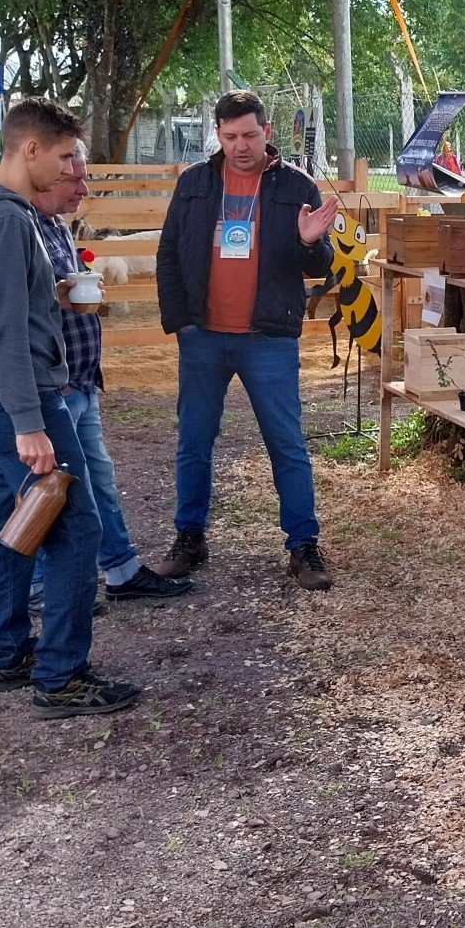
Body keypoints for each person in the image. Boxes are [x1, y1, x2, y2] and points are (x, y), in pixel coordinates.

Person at [0, 96, 137, 718]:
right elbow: (0, 334)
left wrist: (47, 291)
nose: (69, 169)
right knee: (76, 528)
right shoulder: (4, 220)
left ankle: (8, 652)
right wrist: (30, 423)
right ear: (29, 150)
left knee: (6, 517)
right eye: (63, 157)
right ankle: (61, 674)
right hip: (17, 398)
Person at [150, 89, 334, 591]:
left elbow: (322, 268)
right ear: (218, 135)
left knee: (287, 444)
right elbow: (168, 255)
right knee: (193, 440)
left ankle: (303, 545)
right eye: (229, 136)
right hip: (203, 338)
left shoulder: (297, 186)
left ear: (267, 132)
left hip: (268, 337)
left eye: (250, 134)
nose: (240, 146)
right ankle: (190, 537)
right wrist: (181, 323)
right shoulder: (193, 184)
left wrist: (309, 242)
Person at [31, 144, 193, 605]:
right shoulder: (24, 228)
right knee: (55, 487)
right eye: (74, 180)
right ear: (44, 173)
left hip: (80, 380)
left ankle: (120, 569)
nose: (84, 189)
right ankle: (41, 586)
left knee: (96, 479)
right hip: (56, 385)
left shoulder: (58, 227)